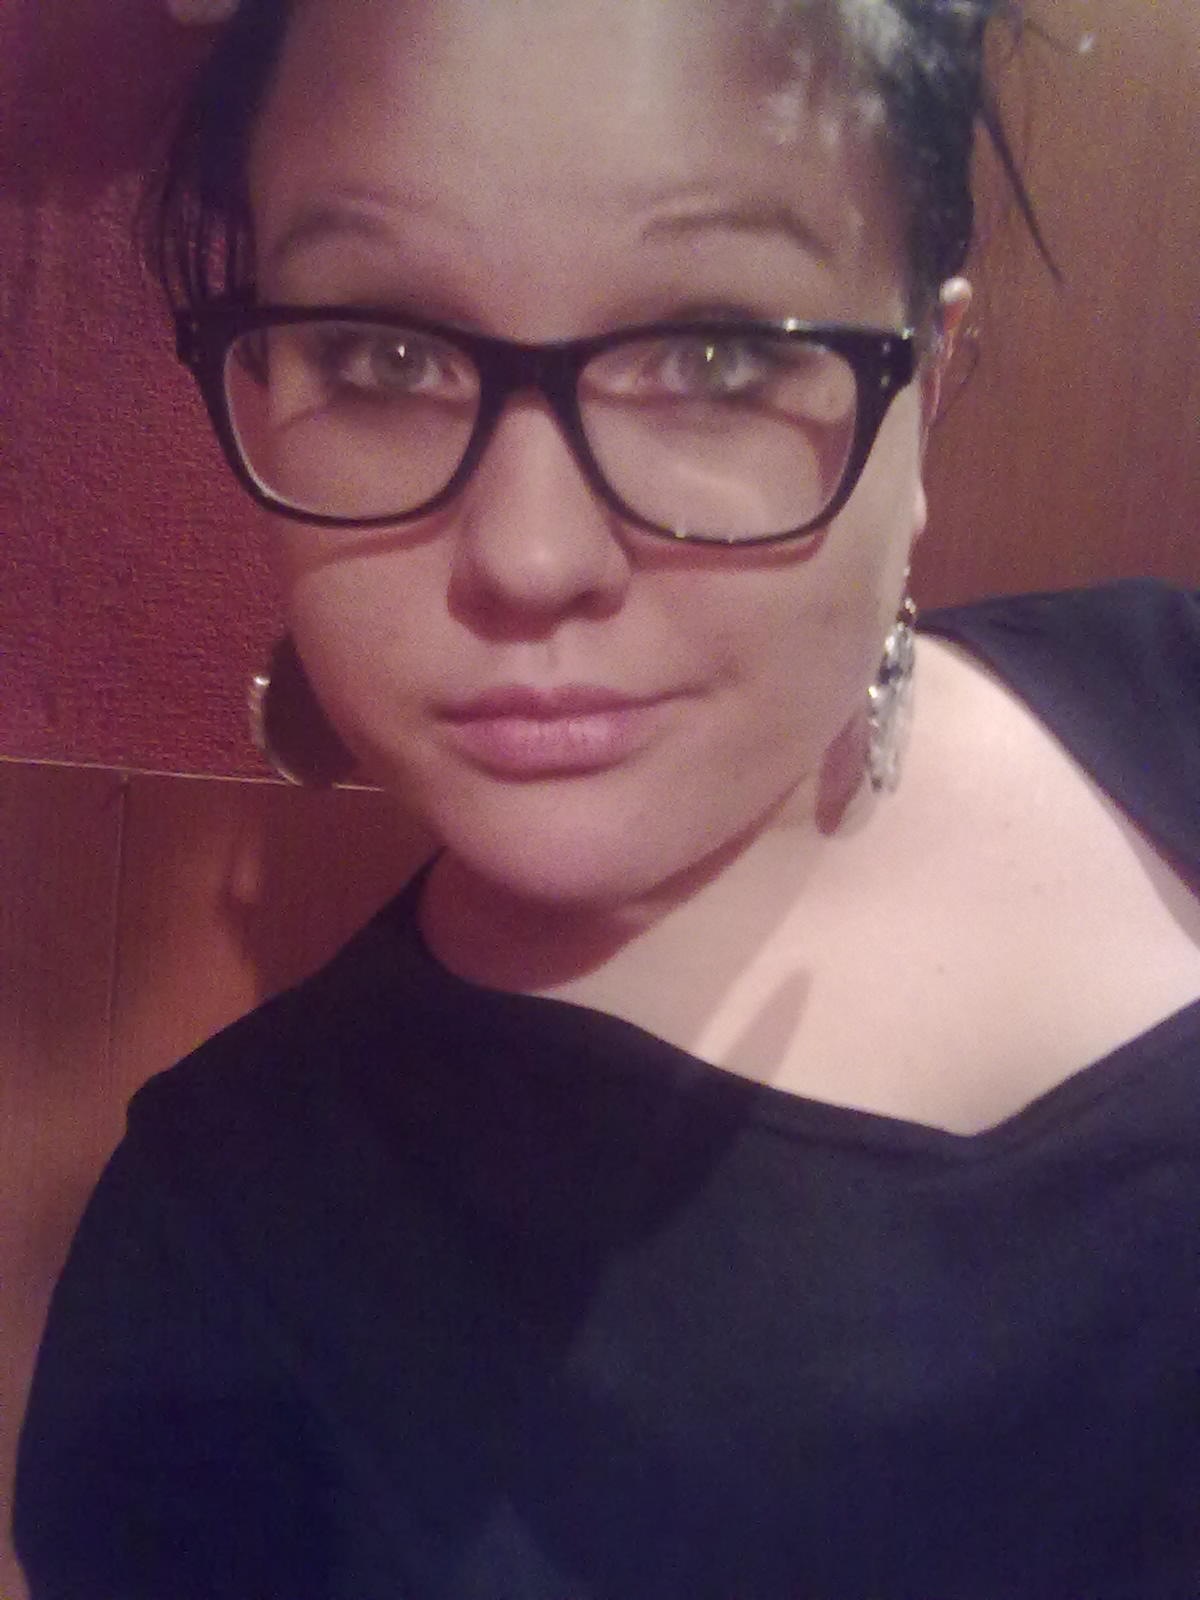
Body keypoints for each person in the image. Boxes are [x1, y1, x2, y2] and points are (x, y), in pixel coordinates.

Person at [13, 0, 1200, 1595]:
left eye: (713, 353)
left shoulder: (1172, 691)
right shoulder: (215, 1300)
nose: (530, 555)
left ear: (932, 382)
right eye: (383, 352)